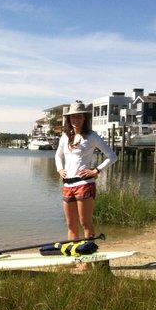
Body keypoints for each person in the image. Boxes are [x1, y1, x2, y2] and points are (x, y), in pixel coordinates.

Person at [55, 100, 117, 240]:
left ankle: (88, 258)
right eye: (73, 117)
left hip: (84, 184)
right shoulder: (65, 137)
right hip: (67, 185)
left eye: (79, 116)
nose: (76, 119)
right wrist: (60, 169)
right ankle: (75, 257)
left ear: (84, 118)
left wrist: (96, 170)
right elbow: (58, 155)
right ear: (69, 119)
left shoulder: (92, 136)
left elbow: (112, 156)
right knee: (71, 225)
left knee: (85, 223)